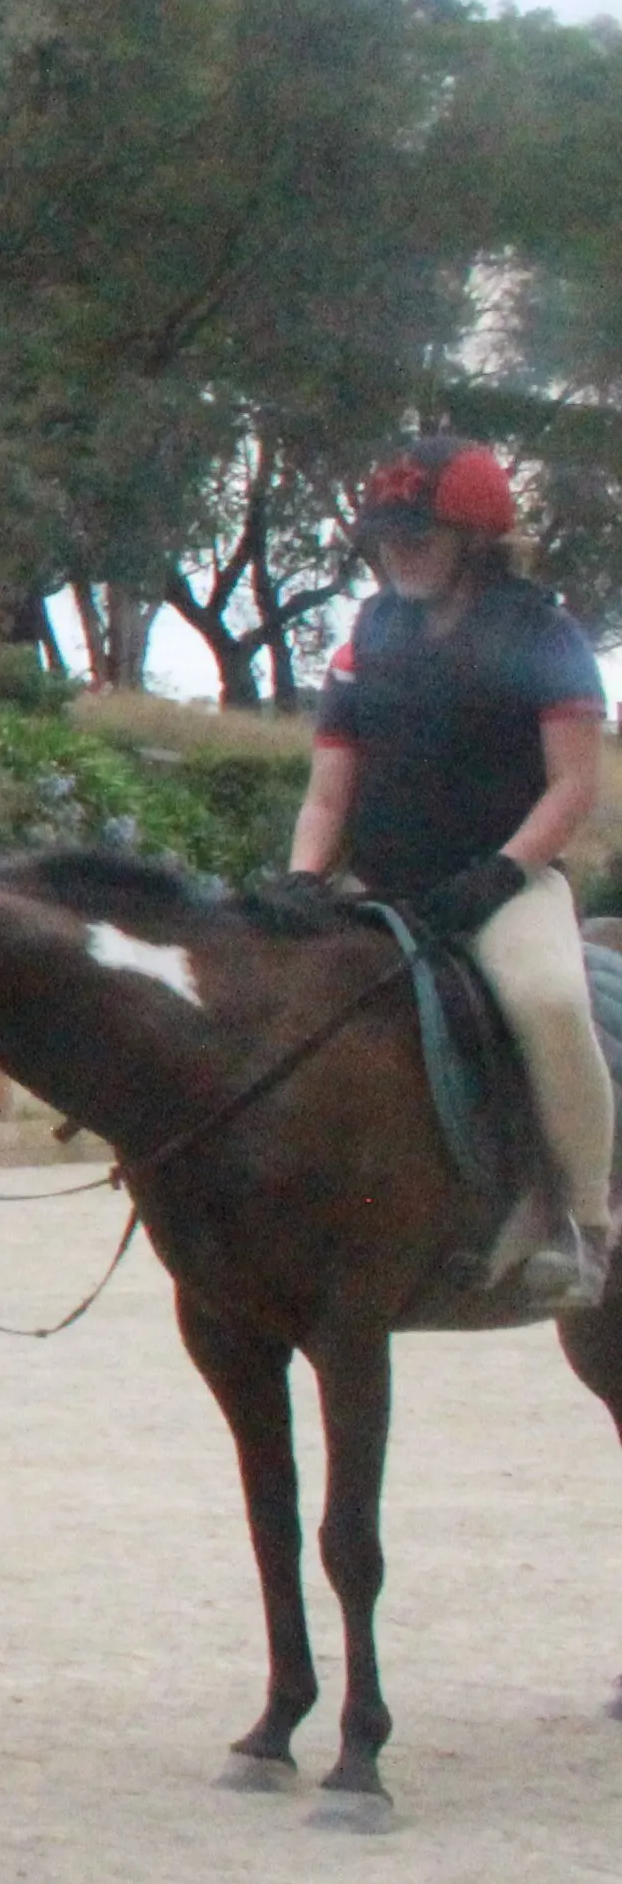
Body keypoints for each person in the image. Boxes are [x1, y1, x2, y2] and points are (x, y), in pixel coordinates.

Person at [286, 437, 607, 1310]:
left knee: (547, 1001)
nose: (397, 557)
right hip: (381, 884)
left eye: (417, 538)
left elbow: (575, 784)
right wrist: (306, 880)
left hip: (506, 884)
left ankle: (582, 1223)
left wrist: (500, 874)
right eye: (385, 541)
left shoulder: (544, 634)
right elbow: (327, 796)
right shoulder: (364, 639)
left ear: (475, 538)